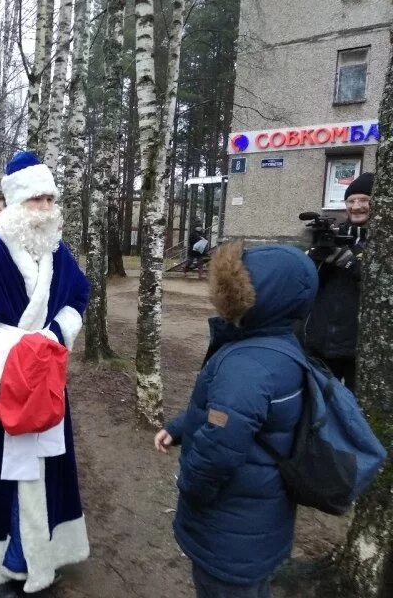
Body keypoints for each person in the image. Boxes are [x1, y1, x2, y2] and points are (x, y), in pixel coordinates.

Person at [0, 152, 90, 597]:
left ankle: (40, 555)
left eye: (50, 199)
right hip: (5, 387)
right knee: (1, 474)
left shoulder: (57, 252)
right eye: (36, 199)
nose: (45, 208)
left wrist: (54, 336)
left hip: (46, 384)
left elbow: (79, 297)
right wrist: (18, 353)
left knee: (48, 470)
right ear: (15, 202)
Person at [154, 240, 318, 598]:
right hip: (261, 524)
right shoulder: (281, 346)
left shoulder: (246, 366)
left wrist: (191, 488)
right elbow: (237, 417)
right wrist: (180, 428)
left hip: (228, 530)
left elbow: (219, 448)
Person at [302, 172, 373, 390]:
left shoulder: (384, 240)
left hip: (360, 348)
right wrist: (314, 260)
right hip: (321, 342)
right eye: (351, 201)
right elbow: (309, 285)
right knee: (319, 405)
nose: (357, 206)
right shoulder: (331, 238)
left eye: (364, 200)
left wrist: (352, 264)